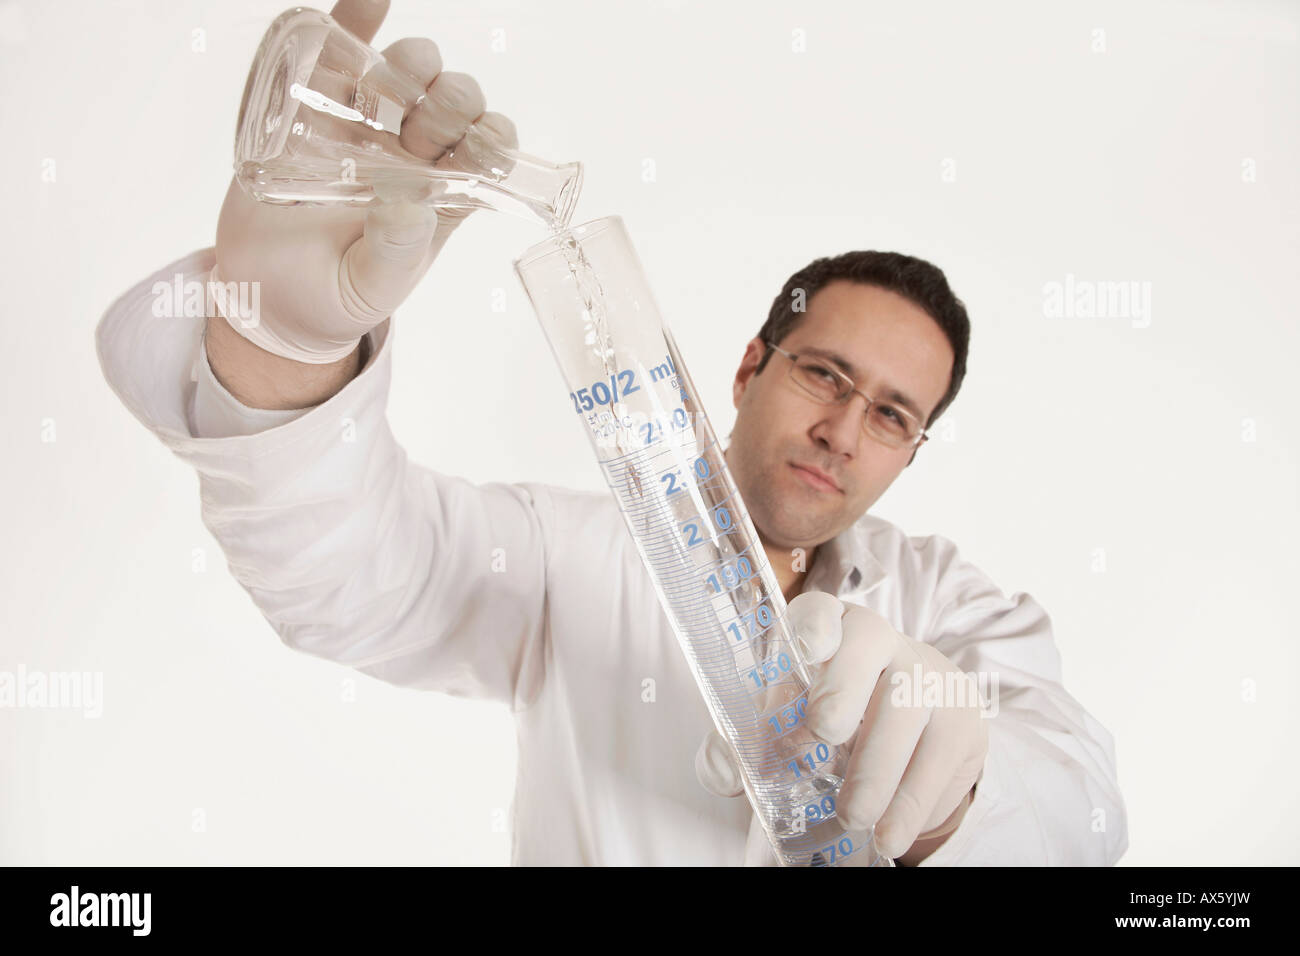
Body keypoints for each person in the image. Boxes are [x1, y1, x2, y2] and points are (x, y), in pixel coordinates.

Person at [95, 0, 1127, 866]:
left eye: (893, 414)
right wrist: (280, 334)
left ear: (911, 448)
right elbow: (347, 574)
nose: (843, 428)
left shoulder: (951, 608)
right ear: (747, 367)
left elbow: (1084, 815)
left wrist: (953, 788)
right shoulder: (567, 555)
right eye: (823, 372)